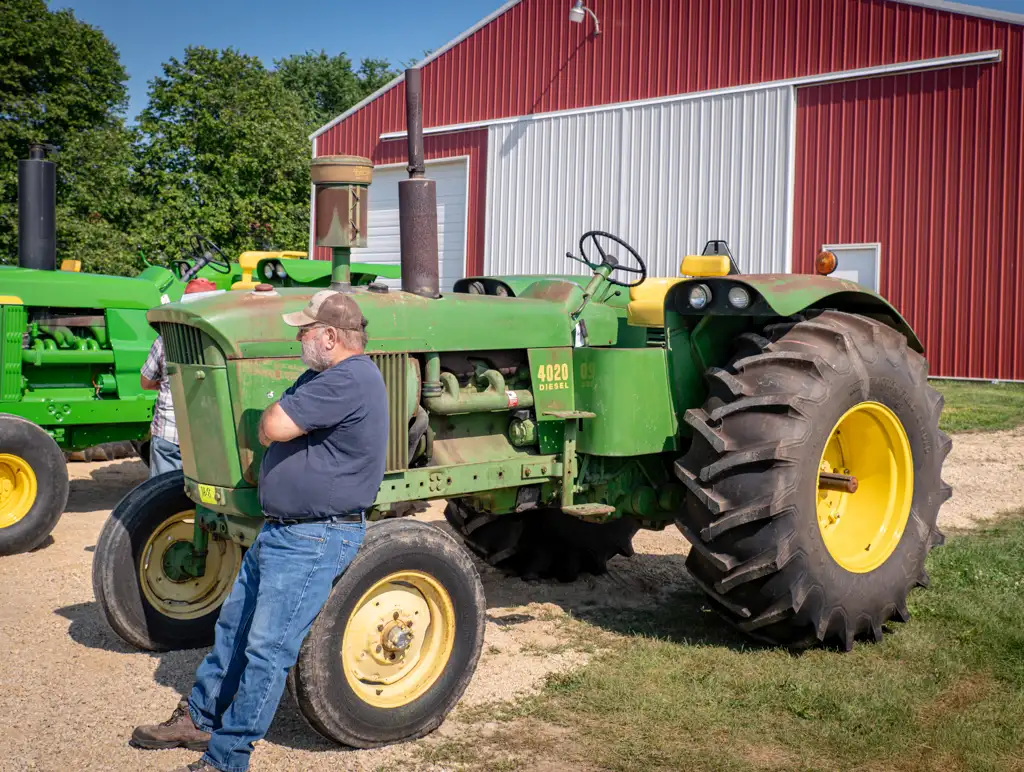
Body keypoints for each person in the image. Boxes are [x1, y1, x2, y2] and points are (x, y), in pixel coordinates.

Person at [130, 290, 390, 772]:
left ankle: (229, 757)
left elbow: (273, 421)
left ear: (331, 336)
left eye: (305, 331)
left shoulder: (348, 379)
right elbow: (278, 424)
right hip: (285, 531)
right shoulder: (325, 376)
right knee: (234, 630)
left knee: (269, 649)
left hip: (314, 536)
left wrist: (278, 419)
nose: (298, 338)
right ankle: (201, 718)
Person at [139, 277, 219, 476]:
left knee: (162, 495)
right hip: (211, 433)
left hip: (169, 430)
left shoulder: (165, 337)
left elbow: (145, 382)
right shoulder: (223, 338)